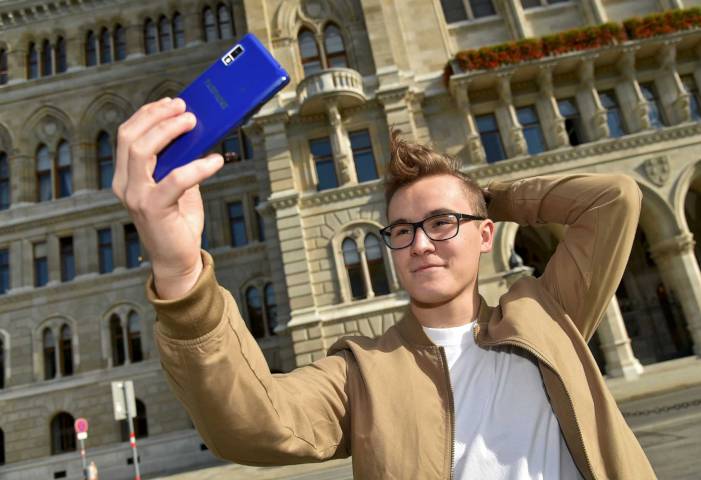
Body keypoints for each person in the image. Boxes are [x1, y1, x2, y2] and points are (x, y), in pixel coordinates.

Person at [114, 97, 656, 479]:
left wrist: (484, 198)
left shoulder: (546, 314)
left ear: (485, 235)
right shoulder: (361, 373)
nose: (420, 244)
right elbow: (252, 423)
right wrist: (181, 274)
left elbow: (613, 199)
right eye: (402, 230)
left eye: (441, 223)